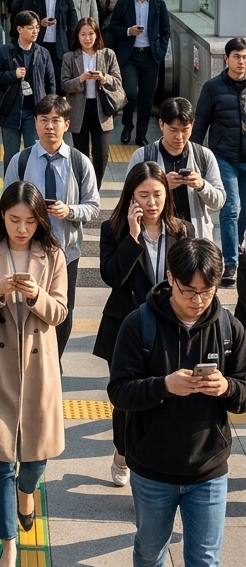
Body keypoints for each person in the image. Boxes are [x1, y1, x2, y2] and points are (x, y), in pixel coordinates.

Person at [108, 238, 246, 567]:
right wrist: (164, 386)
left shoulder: (229, 329)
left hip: (209, 465)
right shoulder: (139, 324)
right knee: (150, 547)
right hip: (152, 466)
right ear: (170, 280)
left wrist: (227, 387)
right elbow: (120, 392)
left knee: (205, 565)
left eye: (207, 291)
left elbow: (245, 390)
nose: (198, 299)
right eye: (189, 289)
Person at [0, 182, 67, 567]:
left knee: (36, 459)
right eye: (13, 220)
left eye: (29, 221)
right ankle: (8, 543)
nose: (21, 229)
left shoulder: (52, 254)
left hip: (39, 370)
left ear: (40, 220)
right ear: (1, 217)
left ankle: (28, 496)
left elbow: (59, 311)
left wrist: (37, 294)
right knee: (2, 461)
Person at [95, 162, 193, 486]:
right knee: (125, 400)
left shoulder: (181, 231)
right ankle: (122, 452)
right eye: (144, 195)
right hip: (125, 328)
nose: (152, 202)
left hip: (167, 329)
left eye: (157, 194)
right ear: (131, 197)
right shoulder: (114, 229)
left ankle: (150, 464)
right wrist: (134, 238)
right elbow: (111, 277)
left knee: (162, 398)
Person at [4, 94, 99, 357]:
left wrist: (69, 211)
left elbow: (93, 207)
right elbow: (6, 205)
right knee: (25, 308)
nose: (49, 126)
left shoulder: (80, 162)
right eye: (44, 119)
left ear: (66, 125)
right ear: (34, 123)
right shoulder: (20, 161)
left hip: (65, 253)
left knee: (61, 312)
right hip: (27, 249)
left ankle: (53, 361)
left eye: (56, 120)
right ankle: (28, 360)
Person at [129, 96, 226, 242]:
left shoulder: (204, 156)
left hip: (195, 238)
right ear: (161, 124)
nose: (179, 136)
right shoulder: (143, 155)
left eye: (185, 130)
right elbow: (129, 199)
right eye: (173, 129)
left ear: (192, 125)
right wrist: (161, 186)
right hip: (154, 237)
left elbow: (219, 201)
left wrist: (202, 185)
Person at [192, 38, 246, 283]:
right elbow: (201, 121)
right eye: (237, 56)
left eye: (245, 57)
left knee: (243, 211)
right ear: (226, 58)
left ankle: (236, 247)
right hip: (224, 157)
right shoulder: (213, 87)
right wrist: (191, 154)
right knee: (230, 209)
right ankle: (231, 262)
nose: (241, 61)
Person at [107, 0, 170, 147]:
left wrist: (160, 51)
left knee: (146, 97)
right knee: (130, 93)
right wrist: (128, 31)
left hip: (150, 56)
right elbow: (113, 27)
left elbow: (165, 32)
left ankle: (141, 134)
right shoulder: (124, 3)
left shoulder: (158, 5)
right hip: (129, 55)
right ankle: (127, 125)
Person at [0, 11, 56, 170]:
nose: (35, 31)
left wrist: (50, 109)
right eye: (30, 28)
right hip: (10, 111)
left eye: (37, 27)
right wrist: (12, 74)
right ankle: (11, 189)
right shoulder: (5, 51)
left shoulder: (43, 53)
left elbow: (50, 83)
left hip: (35, 112)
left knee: (35, 152)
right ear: (19, 29)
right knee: (11, 155)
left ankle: (32, 189)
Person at [61, 18, 124, 188]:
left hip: (101, 110)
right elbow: (65, 84)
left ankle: (95, 187)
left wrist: (104, 78)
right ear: (78, 36)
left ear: (97, 35)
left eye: (91, 34)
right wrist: (80, 79)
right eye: (83, 34)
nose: (87, 38)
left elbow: (117, 81)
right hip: (79, 110)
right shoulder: (69, 57)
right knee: (80, 153)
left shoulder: (108, 54)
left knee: (101, 154)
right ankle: (82, 186)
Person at [27, 0, 77, 92]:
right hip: (39, 43)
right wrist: (39, 23)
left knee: (58, 79)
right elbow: (23, 19)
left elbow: (73, 24)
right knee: (39, 79)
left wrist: (73, 46)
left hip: (59, 45)